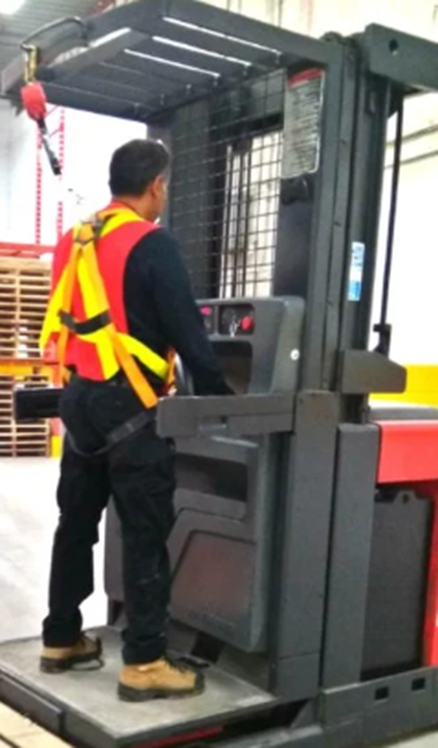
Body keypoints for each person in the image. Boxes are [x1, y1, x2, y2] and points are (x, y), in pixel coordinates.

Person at [39, 139, 231, 701]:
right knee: (145, 533)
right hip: (131, 407)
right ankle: (145, 663)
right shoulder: (152, 243)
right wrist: (219, 398)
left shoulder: (73, 241)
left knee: (75, 523)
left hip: (79, 401)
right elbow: (186, 331)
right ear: (156, 186)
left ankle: (61, 638)